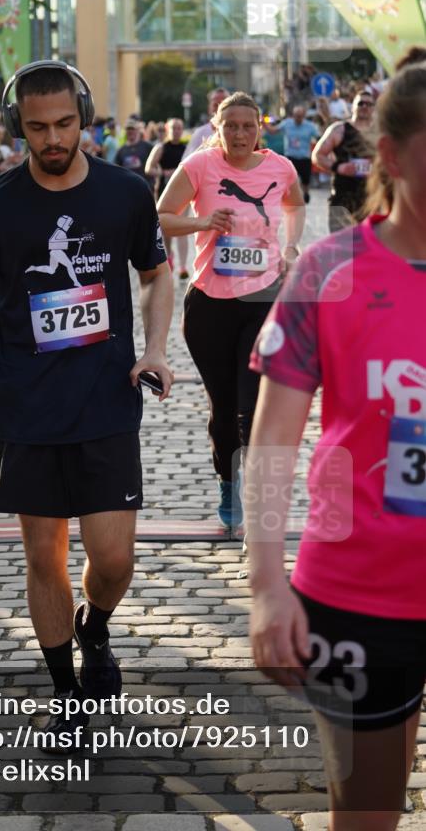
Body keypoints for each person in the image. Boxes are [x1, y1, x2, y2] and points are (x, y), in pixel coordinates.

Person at [0, 60, 174, 750]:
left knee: (114, 558)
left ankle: (94, 625)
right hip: (26, 405)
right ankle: (64, 694)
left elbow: (157, 278)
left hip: (106, 396)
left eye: (64, 124)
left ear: (83, 118)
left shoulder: (126, 193)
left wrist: (155, 347)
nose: (52, 140)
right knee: (43, 556)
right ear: (18, 125)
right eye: (37, 128)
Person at [247, 63, 426, 829]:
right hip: (358, 594)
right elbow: (271, 446)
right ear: (389, 156)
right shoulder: (330, 272)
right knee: (365, 815)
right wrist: (264, 586)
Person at [157, 92, 305, 530]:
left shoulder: (281, 167)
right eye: (231, 125)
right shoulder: (200, 166)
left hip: (262, 299)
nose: (239, 133)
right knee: (223, 409)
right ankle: (228, 480)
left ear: (259, 128)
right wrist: (202, 223)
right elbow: (161, 215)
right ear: (216, 127)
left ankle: (256, 494)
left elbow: (296, 205)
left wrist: (291, 244)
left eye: (248, 125)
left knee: (251, 404)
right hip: (208, 305)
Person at [312, 91, 375, 232]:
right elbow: (318, 155)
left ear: (373, 108)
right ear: (352, 106)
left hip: (372, 200)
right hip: (342, 198)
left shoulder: (381, 132)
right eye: (361, 103)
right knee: (342, 250)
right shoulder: (339, 130)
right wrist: (338, 167)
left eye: (369, 104)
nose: (365, 106)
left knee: (368, 250)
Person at [145, 118, 189, 276]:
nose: (176, 131)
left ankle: (183, 267)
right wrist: (163, 173)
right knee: (167, 229)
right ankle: (169, 257)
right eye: (174, 128)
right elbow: (148, 168)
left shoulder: (187, 149)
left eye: (179, 128)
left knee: (183, 229)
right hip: (164, 192)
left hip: (184, 193)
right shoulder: (161, 147)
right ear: (167, 129)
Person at [265, 105, 319, 203]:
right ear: (293, 115)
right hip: (291, 157)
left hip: (304, 157)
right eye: (296, 116)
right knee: (287, 178)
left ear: (303, 116)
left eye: (300, 116)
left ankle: (306, 193)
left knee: (305, 180)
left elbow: (318, 137)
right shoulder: (287, 124)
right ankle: (288, 195)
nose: (298, 118)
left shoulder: (310, 126)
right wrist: (263, 123)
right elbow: (273, 131)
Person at [183, 87, 230, 158]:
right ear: (209, 108)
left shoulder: (239, 133)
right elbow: (186, 162)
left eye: (224, 105)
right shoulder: (199, 133)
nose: (220, 109)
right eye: (215, 105)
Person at [114, 119, 153, 183]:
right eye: (128, 129)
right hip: (128, 185)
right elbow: (117, 170)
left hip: (145, 185)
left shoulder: (147, 146)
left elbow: (156, 166)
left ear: (137, 130)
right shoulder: (121, 150)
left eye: (132, 129)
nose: (130, 131)